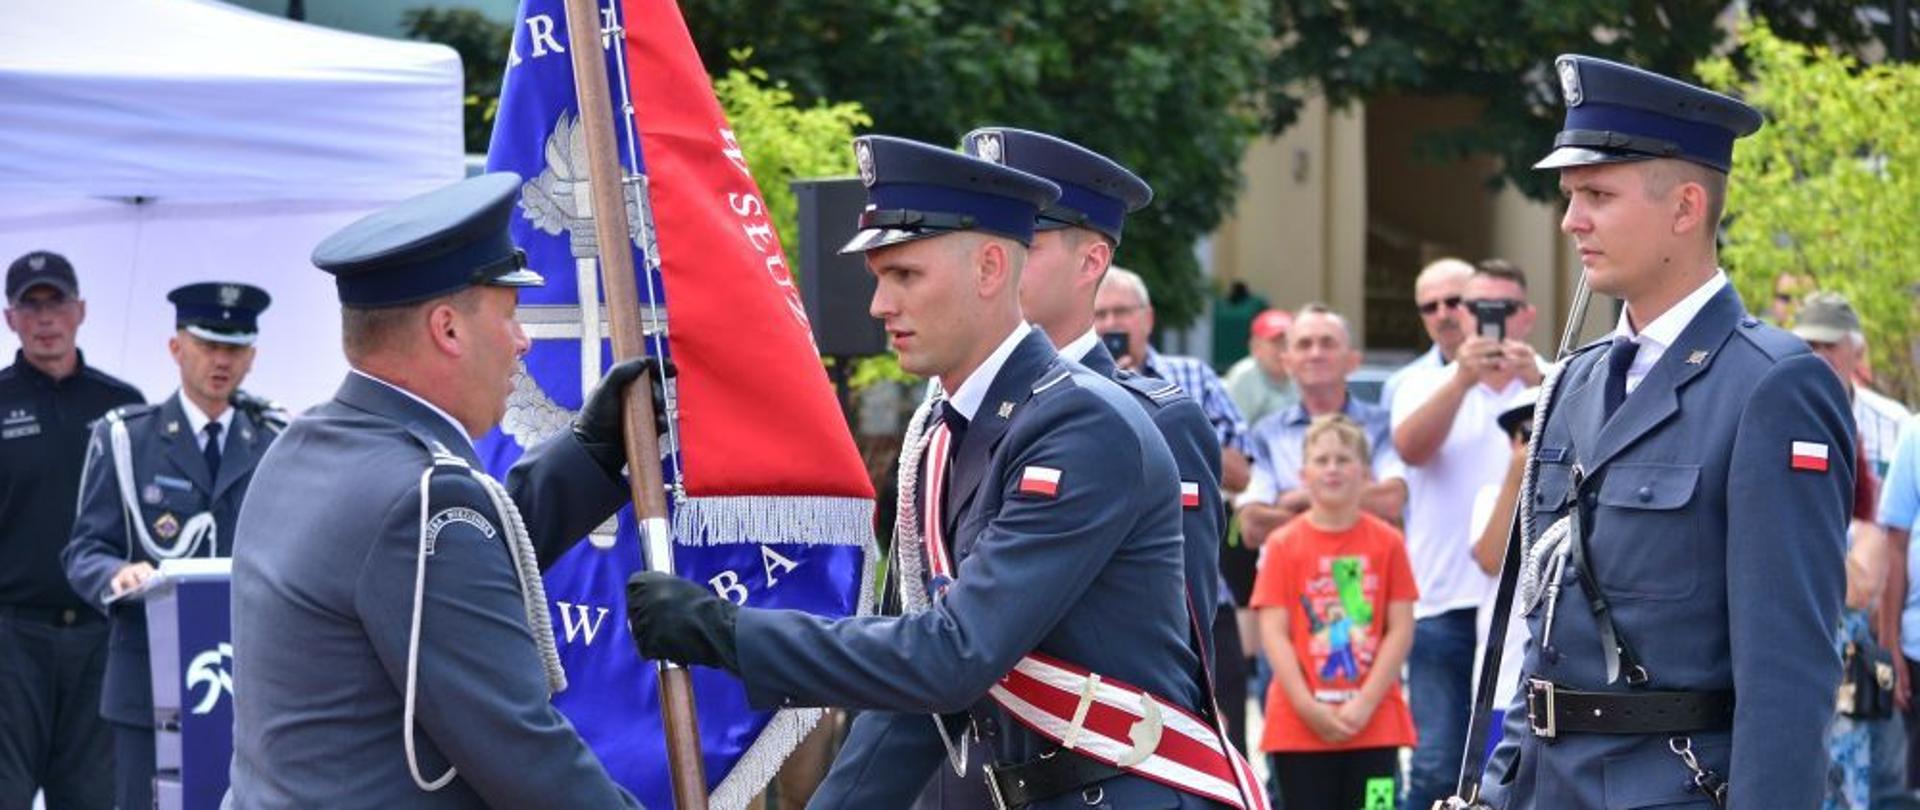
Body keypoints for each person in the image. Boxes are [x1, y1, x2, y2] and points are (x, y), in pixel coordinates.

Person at [628, 135, 1262, 810]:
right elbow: (915, 697)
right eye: (879, 277)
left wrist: (727, 631)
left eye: (905, 276)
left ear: (990, 267)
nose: (878, 305)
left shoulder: (1084, 426)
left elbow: (952, 656)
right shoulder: (947, 433)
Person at [1477, 55, 1854, 809]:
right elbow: (1547, 633)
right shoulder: (1575, 382)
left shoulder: (1772, 386)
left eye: (1598, 195)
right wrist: (1495, 790)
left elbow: (1789, 672)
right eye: (1571, 196)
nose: (1571, 221)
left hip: (1677, 788)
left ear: (1685, 207)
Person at [226, 173, 647, 808]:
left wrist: (590, 451)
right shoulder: (422, 498)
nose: (523, 341)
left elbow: (429, 578)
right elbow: (524, 754)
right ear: (447, 329)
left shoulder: (305, 445)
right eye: (510, 315)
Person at [61, 282, 278, 810]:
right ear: (177, 348)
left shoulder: (274, 441)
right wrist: (118, 575)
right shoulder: (127, 438)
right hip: (148, 681)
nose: (221, 360)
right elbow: (85, 550)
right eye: (208, 344)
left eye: (235, 348)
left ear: (252, 357)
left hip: (245, 681)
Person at [1390, 259, 1541, 808]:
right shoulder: (1424, 382)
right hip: (1442, 598)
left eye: (1502, 308)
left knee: (1517, 767)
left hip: (1527, 607)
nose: (1486, 319)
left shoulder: (1557, 379)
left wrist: (1538, 383)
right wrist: (1462, 378)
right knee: (1435, 765)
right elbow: (1411, 449)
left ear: (1526, 316)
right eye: (1475, 307)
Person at [0, 250, 143, 809]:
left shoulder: (123, 408)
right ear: (9, 318)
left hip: (99, 637)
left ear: (80, 310)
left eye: (56, 302)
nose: (45, 318)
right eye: (30, 305)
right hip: (11, 641)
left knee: (93, 800)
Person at [1252, 414, 1417, 808]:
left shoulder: (1389, 542)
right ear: (1303, 474)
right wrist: (1308, 707)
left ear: (1366, 473)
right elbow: (1273, 632)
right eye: (1321, 460)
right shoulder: (1282, 545)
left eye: (1343, 459)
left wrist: (1365, 702)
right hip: (1298, 729)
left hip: (1375, 724)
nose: (1332, 469)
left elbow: (1400, 628)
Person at [1237, 304, 1406, 547]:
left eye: (1328, 343)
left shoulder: (1382, 426)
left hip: (1362, 569)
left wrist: (1294, 499)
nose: (1315, 354)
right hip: (1289, 569)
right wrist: (1351, 500)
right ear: (1287, 362)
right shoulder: (1266, 433)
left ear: (1353, 361)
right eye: (1304, 344)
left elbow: (1390, 501)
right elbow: (1253, 526)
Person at [1095, 266, 1253, 492]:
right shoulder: (1076, 384)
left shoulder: (1195, 375)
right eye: (1100, 314)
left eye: (1121, 312)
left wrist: (1156, 415)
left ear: (1148, 319)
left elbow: (1240, 476)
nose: (1110, 324)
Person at [1380, 258, 1474, 411]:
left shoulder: (1511, 374)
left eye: (1454, 302)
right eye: (1430, 307)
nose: (1442, 315)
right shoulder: (1401, 386)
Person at [1223, 308, 1299, 428]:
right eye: (1275, 343)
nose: (1283, 350)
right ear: (1255, 347)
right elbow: (1233, 431)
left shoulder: (1303, 372)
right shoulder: (1243, 377)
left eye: (1287, 342)